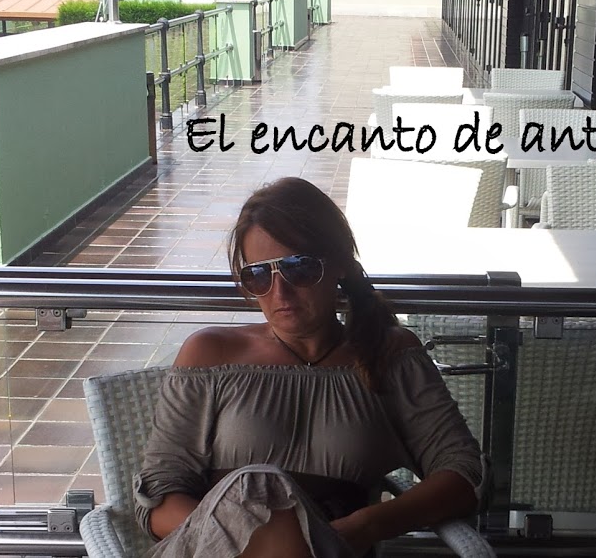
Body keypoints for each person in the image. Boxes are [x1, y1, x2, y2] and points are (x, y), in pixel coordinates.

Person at [133, 177, 485, 557]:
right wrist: (249, 535)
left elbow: (464, 474)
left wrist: (365, 525)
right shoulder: (212, 354)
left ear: (340, 265)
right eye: (259, 275)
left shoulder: (387, 356)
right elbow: (158, 498)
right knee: (261, 492)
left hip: (338, 546)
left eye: (298, 268)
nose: (279, 292)